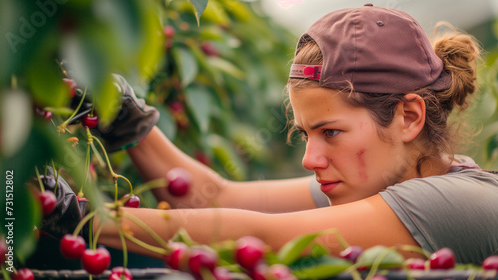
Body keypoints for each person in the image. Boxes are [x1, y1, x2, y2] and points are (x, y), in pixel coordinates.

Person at [46, 4, 498, 266]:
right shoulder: (379, 180)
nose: (310, 158)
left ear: (408, 117)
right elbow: (213, 197)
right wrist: (129, 123)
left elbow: (259, 234)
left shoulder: (460, 202)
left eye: (331, 132)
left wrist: (85, 219)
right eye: (305, 134)